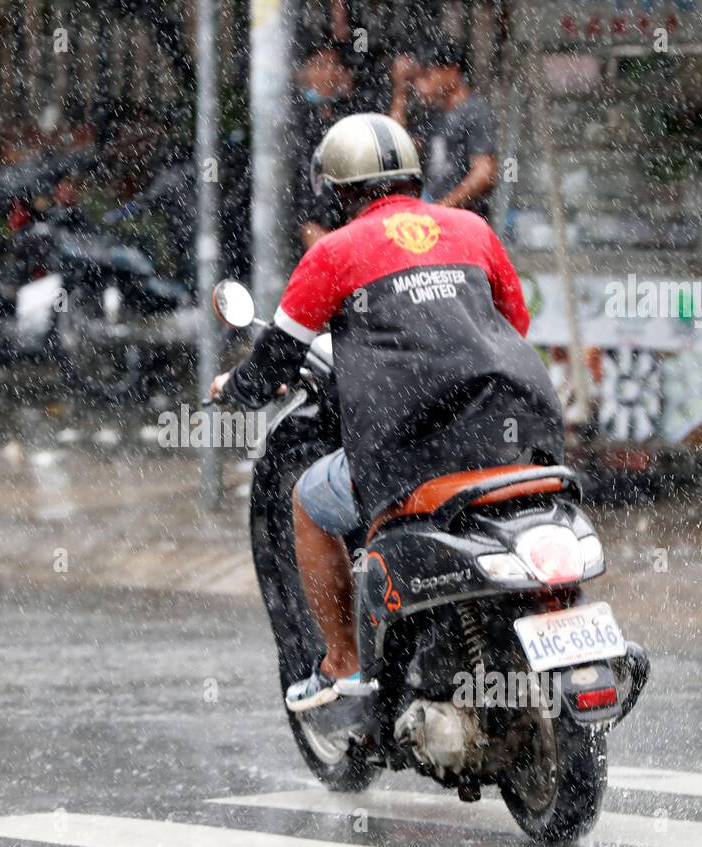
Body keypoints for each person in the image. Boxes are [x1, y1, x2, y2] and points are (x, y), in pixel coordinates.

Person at [209, 114, 563, 711]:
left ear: (338, 190)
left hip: (414, 451)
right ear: (413, 176)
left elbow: (275, 361)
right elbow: (515, 323)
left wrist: (234, 389)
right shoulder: (471, 229)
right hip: (517, 432)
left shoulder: (333, 254)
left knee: (309, 502)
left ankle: (343, 662)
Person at [390, 40, 498, 220]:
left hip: (465, 221)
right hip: (436, 214)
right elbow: (397, 148)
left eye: (426, 76)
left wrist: (442, 208)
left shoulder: (475, 111)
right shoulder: (432, 114)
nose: (419, 86)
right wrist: (400, 89)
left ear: (452, 71)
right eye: (415, 80)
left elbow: (484, 173)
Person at [293, 43, 353, 252]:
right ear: (303, 73)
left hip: (346, 223)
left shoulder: (349, 115)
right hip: (309, 224)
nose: (328, 72)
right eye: (319, 65)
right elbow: (297, 187)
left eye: (334, 65)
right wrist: (306, 225)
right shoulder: (294, 120)